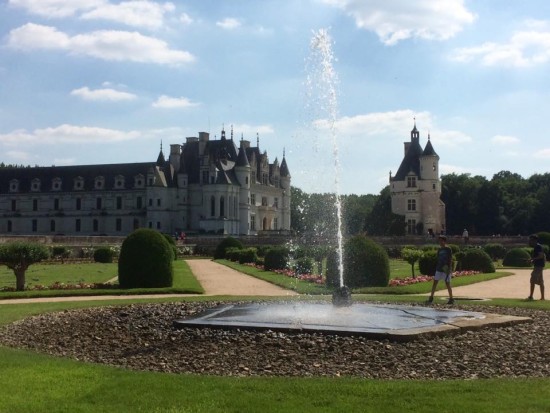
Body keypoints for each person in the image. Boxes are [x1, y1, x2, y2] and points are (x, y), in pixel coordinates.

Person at [427, 235, 454, 305]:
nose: (440, 242)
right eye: (439, 241)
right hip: (439, 268)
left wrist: (449, 269)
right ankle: (431, 297)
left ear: (444, 241)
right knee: (435, 283)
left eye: (441, 240)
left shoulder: (448, 249)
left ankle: (451, 298)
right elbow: (438, 258)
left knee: (447, 283)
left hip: (445, 268)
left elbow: (450, 259)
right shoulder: (440, 250)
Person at [527, 234, 545, 301]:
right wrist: (532, 260)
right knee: (541, 282)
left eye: (531, 240)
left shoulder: (538, 247)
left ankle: (531, 296)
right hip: (539, 266)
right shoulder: (537, 247)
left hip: (538, 266)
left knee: (532, 280)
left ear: (535, 240)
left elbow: (541, 256)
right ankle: (542, 297)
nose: (530, 241)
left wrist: (532, 259)